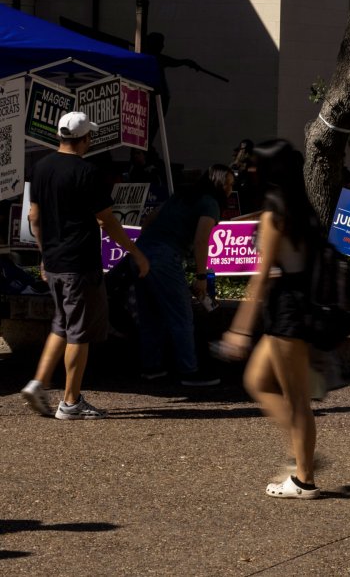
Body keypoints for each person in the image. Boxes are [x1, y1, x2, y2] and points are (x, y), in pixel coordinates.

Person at [20, 112, 151, 419]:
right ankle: (70, 401)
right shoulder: (87, 172)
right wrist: (135, 252)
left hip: (54, 262)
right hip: (80, 262)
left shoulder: (40, 168)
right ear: (84, 140)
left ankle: (38, 382)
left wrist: (43, 254)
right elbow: (108, 221)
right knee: (79, 332)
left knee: (61, 323)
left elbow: (34, 217)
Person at [219, 139, 322, 499]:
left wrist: (239, 328)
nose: (248, 171)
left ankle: (304, 478)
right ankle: (302, 455)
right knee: (258, 380)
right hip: (291, 305)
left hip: (287, 310)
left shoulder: (276, 210)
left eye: (254, 165)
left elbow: (260, 275)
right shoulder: (294, 205)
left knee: (296, 399)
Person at [135, 164, 233, 386]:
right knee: (182, 315)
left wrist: (149, 245)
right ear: (216, 184)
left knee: (151, 315)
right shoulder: (211, 203)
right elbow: (201, 240)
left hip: (142, 251)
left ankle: (152, 368)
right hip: (165, 256)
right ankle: (189, 372)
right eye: (226, 183)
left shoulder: (181, 196)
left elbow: (149, 218)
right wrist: (201, 277)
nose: (229, 188)